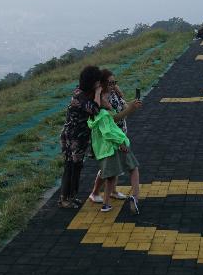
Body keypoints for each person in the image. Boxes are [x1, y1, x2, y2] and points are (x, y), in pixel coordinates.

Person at [88, 70, 142, 204]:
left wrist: (131, 105)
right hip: (111, 137)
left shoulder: (114, 93)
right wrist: (130, 109)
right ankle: (96, 193)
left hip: (119, 133)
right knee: (109, 168)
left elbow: (124, 106)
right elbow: (113, 117)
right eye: (110, 82)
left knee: (113, 168)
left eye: (114, 82)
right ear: (102, 83)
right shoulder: (100, 98)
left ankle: (111, 192)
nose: (113, 85)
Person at [58, 65, 103, 209]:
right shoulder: (81, 96)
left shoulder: (82, 92)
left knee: (76, 166)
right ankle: (64, 199)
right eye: (97, 81)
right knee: (71, 166)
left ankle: (71, 197)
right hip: (73, 138)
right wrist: (98, 92)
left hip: (79, 137)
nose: (99, 83)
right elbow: (95, 110)